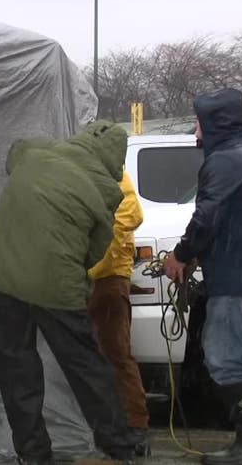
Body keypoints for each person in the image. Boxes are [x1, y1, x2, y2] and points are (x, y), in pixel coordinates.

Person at [0, 121, 136, 464]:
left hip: (0, 277)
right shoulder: (106, 190)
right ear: (114, 157)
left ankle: (33, 454)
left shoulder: (34, 153)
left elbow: (15, 150)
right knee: (86, 366)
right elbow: (96, 252)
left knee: (16, 368)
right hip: (55, 283)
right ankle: (119, 446)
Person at [163, 88, 242, 465]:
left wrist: (182, 255)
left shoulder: (226, 160)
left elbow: (206, 217)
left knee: (226, 360)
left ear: (215, 122)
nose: (196, 133)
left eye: (199, 123)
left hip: (238, 282)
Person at [87, 170, 150, 455]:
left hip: (109, 277)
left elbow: (132, 213)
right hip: (83, 277)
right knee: (89, 356)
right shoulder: (88, 171)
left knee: (116, 353)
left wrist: (91, 230)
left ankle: (136, 427)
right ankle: (107, 426)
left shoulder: (113, 174)